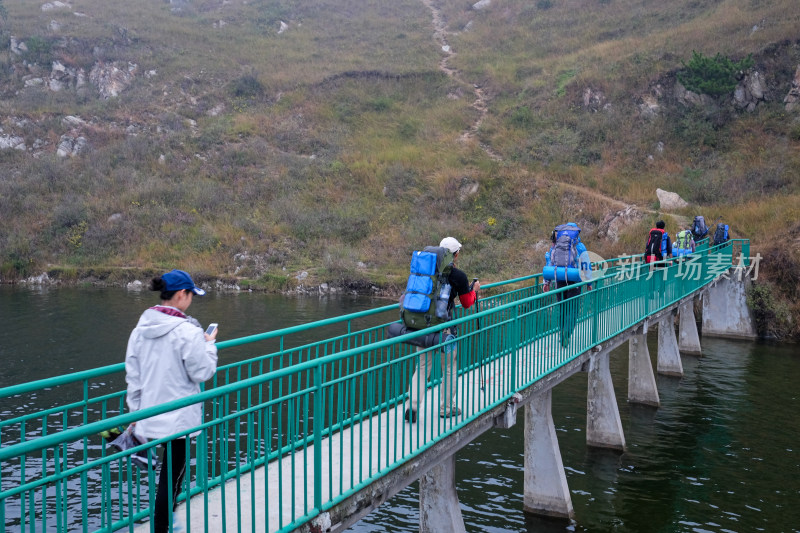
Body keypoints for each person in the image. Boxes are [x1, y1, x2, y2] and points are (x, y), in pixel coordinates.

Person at [125, 269, 219, 533]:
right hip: (178, 417)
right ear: (181, 295)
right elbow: (202, 372)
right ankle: (162, 526)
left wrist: (135, 414)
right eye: (191, 295)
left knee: (161, 478)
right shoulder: (188, 332)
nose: (191, 300)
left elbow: (133, 376)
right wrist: (209, 345)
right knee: (172, 477)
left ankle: (162, 523)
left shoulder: (139, 330)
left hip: (149, 413)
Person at [404, 237, 480, 423]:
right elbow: (467, 303)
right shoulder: (458, 276)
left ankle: (412, 406)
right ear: (455, 254)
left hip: (422, 326)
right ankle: (446, 408)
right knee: (449, 368)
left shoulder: (424, 271)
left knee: (422, 368)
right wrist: (475, 290)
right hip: (446, 330)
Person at [542, 223, 593, 347]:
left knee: (563, 307)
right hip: (575, 281)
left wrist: (546, 282)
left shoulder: (555, 246)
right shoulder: (580, 246)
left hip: (559, 279)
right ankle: (567, 333)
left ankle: (561, 333)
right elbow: (586, 265)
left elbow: (550, 263)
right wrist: (589, 282)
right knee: (573, 309)